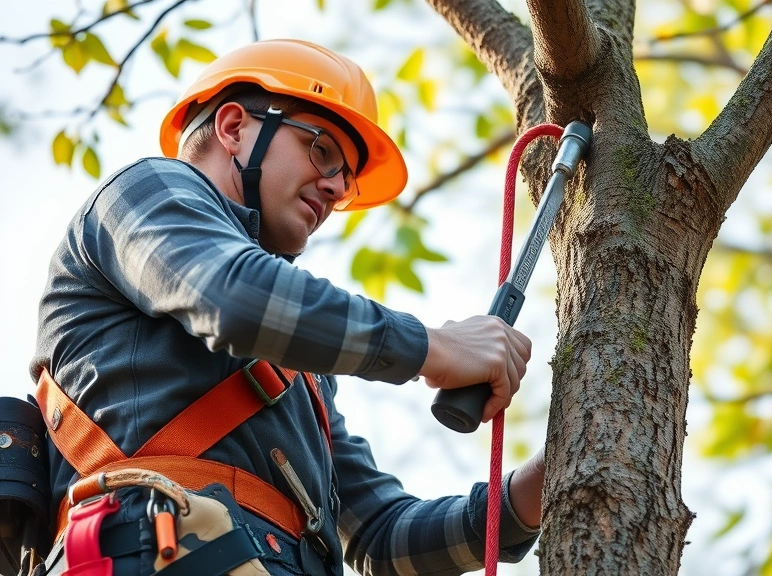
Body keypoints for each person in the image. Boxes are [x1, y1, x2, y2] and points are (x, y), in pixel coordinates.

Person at [30, 38, 544, 576]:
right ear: (233, 128)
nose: (336, 186)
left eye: (345, 178)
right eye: (322, 150)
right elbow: (234, 299)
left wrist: (536, 490)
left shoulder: (298, 371)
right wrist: (431, 347)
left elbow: (380, 535)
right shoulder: (146, 193)